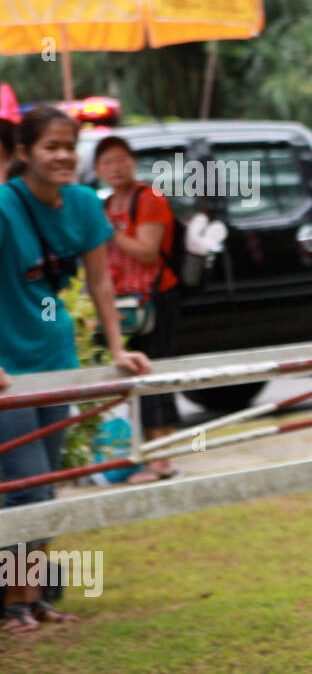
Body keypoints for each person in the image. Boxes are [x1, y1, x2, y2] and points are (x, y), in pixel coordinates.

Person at [0, 106, 151, 633]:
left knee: (49, 483)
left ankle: (33, 598)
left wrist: (116, 349)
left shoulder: (86, 204)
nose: (63, 156)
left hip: (57, 360)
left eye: (70, 145)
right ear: (24, 152)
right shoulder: (3, 206)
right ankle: (16, 602)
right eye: (50, 146)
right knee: (27, 486)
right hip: (8, 370)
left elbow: (101, 283)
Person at [94, 135, 181, 482]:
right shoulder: (105, 204)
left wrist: (110, 232)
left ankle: (163, 462)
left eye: (121, 159)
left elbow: (147, 251)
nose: (115, 167)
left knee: (156, 375)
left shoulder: (149, 199)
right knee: (133, 378)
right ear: (98, 169)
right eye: (107, 162)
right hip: (122, 302)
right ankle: (147, 456)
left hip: (155, 297)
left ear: (133, 162)